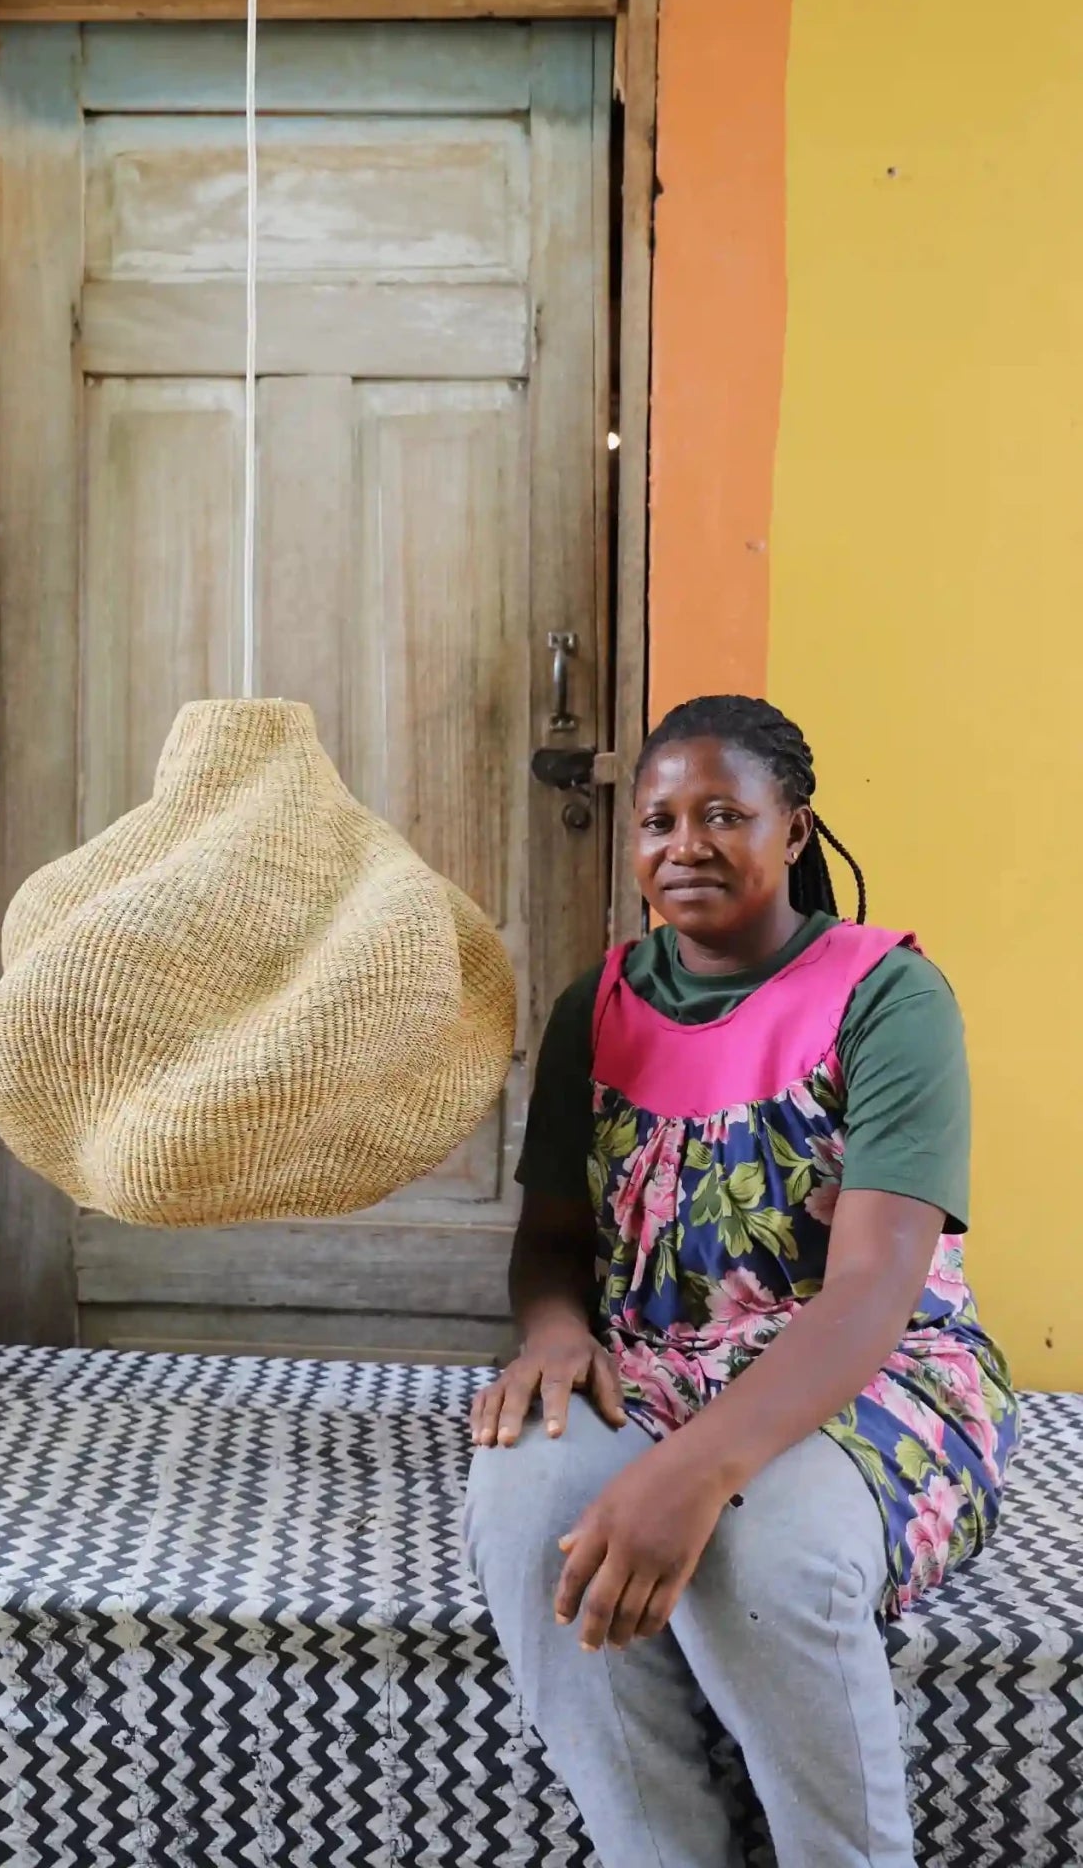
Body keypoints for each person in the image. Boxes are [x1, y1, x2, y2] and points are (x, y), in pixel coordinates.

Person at [465, 695, 1017, 1868]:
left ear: (796, 828)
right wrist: (557, 1332)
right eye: (659, 820)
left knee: (762, 1557)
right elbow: (553, 1235)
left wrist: (692, 1473)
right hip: (655, 1369)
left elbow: (872, 1290)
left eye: (725, 813)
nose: (686, 844)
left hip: (870, 1370)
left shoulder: (889, 997)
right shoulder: (598, 1004)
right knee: (525, 1514)